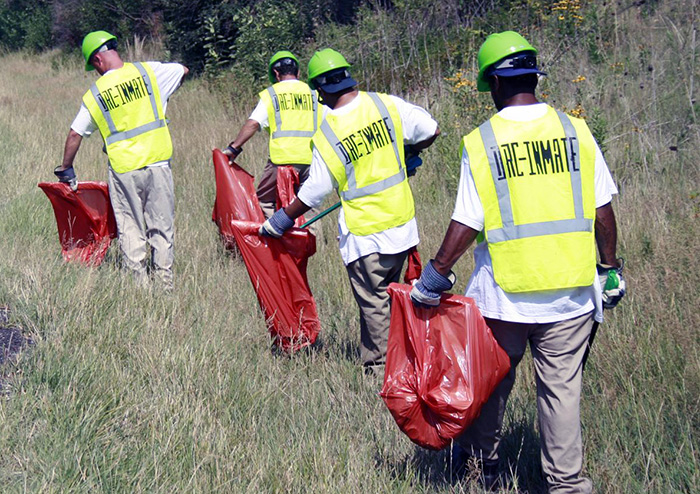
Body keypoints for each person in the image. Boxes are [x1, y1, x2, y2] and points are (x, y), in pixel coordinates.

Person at [410, 31, 626, 492]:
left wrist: (436, 274)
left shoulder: (482, 142)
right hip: (570, 296)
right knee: (561, 395)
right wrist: (609, 270)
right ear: (534, 76)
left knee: (489, 386)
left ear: (492, 83)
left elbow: (467, 220)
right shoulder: (576, 131)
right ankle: (567, 484)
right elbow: (602, 212)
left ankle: (479, 467)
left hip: (504, 298)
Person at [259, 48, 440, 374]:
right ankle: (405, 361)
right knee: (394, 297)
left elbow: (315, 189)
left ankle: (380, 372)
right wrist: (409, 150)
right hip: (402, 227)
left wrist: (282, 219)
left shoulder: (329, 130)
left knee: (374, 305)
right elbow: (430, 129)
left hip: (366, 234)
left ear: (322, 90)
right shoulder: (386, 104)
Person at [55, 31, 188, 288]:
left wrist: (66, 167)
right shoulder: (148, 72)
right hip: (158, 163)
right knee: (161, 228)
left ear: (97, 60)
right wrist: (164, 96)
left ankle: (139, 288)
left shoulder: (96, 94)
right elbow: (182, 70)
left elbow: (75, 133)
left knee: (131, 229)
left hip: (124, 169)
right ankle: (165, 286)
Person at [223, 51, 322, 219]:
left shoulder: (272, 94)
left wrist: (234, 148)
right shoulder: (313, 93)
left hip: (282, 161)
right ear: (298, 72)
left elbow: (253, 123)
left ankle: (277, 239)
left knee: (264, 201)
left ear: (276, 74)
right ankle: (311, 242)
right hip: (312, 160)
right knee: (309, 204)